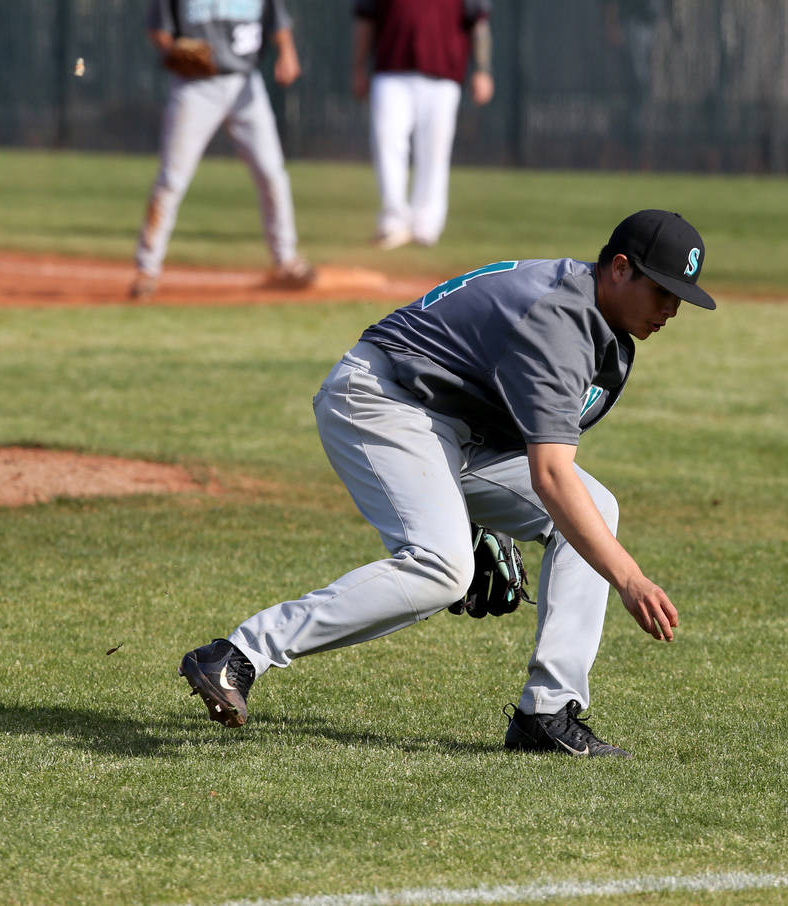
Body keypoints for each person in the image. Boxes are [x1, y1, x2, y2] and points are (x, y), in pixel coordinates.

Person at [179, 209, 716, 758]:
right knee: (443, 566)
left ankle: (547, 713)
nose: (672, 309)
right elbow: (550, 474)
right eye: (662, 291)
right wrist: (630, 578)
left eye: (681, 297)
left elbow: (511, 422)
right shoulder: (560, 318)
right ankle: (238, 653)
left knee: (595, 508)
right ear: (621, 269)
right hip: (381, 399)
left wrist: (481, 515)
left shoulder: (597, 323)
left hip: (448, 428)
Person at [129, 0, 316, 300]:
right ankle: (146, 269)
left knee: (272, 174)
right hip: (195, 88)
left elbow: (278, 22)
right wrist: (173, 50)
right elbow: (158, 30)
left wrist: (287, 51)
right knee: (172, 180)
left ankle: (285, 260)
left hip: (246, 84)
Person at [351, 0, 495, 250]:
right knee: (387, 145)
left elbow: (478, 22)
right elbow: (366, 19)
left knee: (434, 153)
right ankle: (393, 222)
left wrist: (482, 69)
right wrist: (358, 67)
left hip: (443, 73)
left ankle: (426, 226)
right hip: (391, 71)